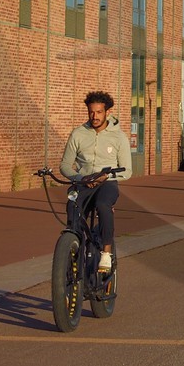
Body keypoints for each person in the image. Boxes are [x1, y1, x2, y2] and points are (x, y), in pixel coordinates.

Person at [59, 89, 131, 272]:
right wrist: (80, 177)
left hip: (107, 183)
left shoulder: (118, 137)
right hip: (83, 182)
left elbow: (127, 170)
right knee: (72, 206)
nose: (94, 116)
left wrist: (106, 175)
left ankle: (106, 253)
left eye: (99, 112)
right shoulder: (78, 134)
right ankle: (73, 247)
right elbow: (65, 165)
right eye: (91, 112)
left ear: (107, 112)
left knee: (103, 205)